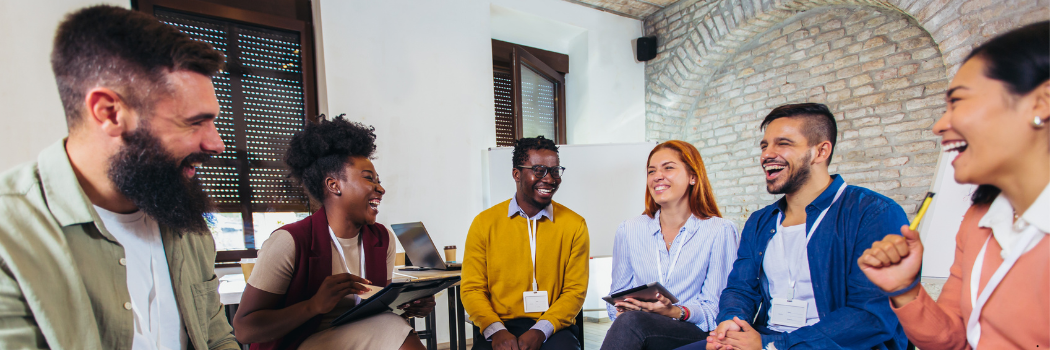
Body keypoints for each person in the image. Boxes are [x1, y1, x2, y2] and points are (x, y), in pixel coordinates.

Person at [0, 5, 237, 350]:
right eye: (193, 122)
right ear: (110, 112)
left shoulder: (183, 220)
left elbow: (217, 338)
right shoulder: (12, 236)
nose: (216, 144)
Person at [858, 21, 1049, 349]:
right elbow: (955, 339)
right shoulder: (978, 221)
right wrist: (905, 290)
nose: (939, 125)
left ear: (1041, 103)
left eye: (958, 102)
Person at [679, 103, 910, 350]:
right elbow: (740, 288)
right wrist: (730, 324)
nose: (767, 154)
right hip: (766, 338)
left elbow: (870, 316)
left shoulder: (874, 213)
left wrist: (773, 344)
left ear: (821, 152)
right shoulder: (760, 221)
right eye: (765, 145)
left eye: (784, 143)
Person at [232, 116, 435, 350]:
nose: (380, 188)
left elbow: (378, 308)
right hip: (298, 343)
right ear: (334, 185)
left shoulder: (382, 239)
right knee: (392, 327)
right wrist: (313, 306)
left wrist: (407, 305)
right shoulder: (290, 241)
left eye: (378, 180)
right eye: (369, 178)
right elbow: (245, 329)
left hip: (355, 336)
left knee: (392, 321)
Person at [600, 140, 740, 350]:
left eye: (668, 168)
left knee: (631, 324)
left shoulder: (719, 231)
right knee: (629, 321)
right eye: (651, 171)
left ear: (693, 176)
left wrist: (674, 311)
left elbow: (716, 310)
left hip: (692, 331)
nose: (657, 176)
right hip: (640, 325)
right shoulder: (629, 230)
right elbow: (617, 297)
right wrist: (623, 309)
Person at [462, 136, 589, 350]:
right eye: (539, 170)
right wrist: (496, 329)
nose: (549, 179)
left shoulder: (575, 225)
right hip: (499, 326)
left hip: (554, 328)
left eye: (555, 171)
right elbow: (472, 289)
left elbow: (575, 291)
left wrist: (541, 330)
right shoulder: (484, 223)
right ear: (516, 174)